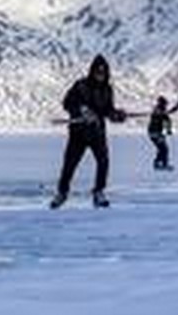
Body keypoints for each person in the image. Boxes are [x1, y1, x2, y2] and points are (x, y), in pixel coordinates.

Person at [50, 55, 127, 209]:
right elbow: (67, 103)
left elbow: (107, 110)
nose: (100, 75)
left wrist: (116, 115)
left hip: (97, 133)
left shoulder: (107, 89)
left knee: (103, 162)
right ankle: (62, 193)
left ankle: (99, 192)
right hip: (78, 133)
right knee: (69, 164)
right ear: (92, 71)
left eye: (103, 72)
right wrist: (82, 110)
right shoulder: (80, 86)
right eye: (97, 71)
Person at [147, 90, 178, 170]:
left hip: (155, 133)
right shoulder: (158, 110)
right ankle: (162, 164)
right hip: (155, 133)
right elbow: (170, 113)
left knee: (162, 148)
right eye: (165, 104)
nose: (166, 105)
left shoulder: (160, 111)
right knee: (164, 149)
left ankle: (159, 163)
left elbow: (170, 115)